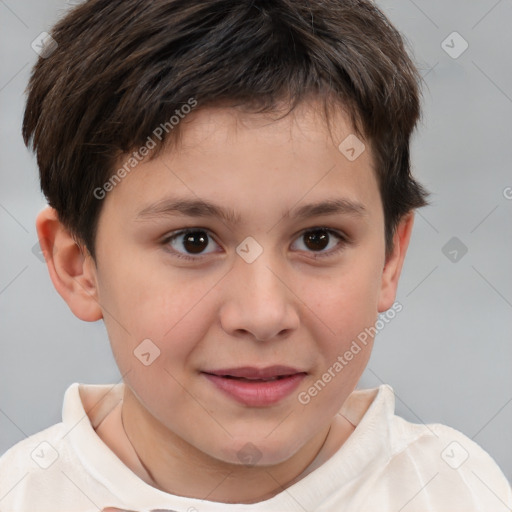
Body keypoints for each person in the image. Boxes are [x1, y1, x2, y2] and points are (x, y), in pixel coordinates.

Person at [1, 0, 510, 510]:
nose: (264, 315)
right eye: (193, 241)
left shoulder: (456, 489)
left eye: (318, 239)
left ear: (389, 260)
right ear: (77, 266)